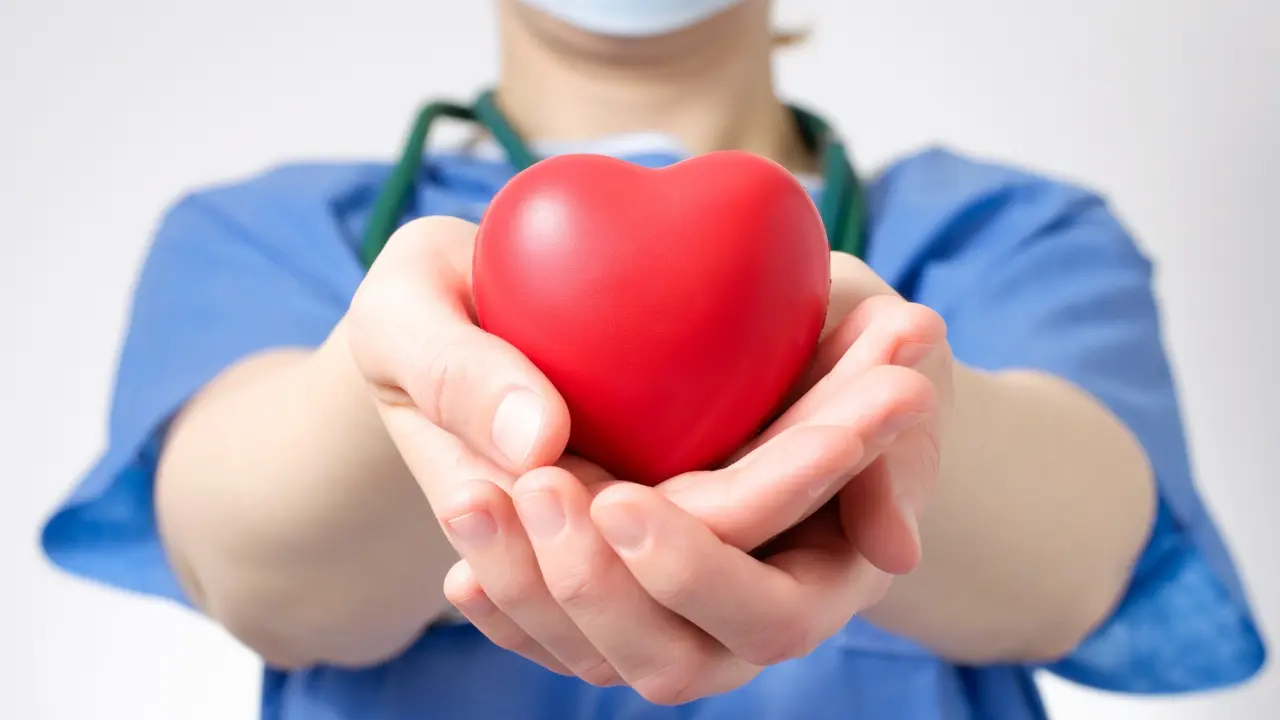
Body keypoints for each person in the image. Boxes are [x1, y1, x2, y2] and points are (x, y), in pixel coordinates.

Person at [41, 1, 1266, 718]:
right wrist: (401, 376)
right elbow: (257, 573)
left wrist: (885, 400)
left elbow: (1076, 570)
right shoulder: (267, 231)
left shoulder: (1009, 232)